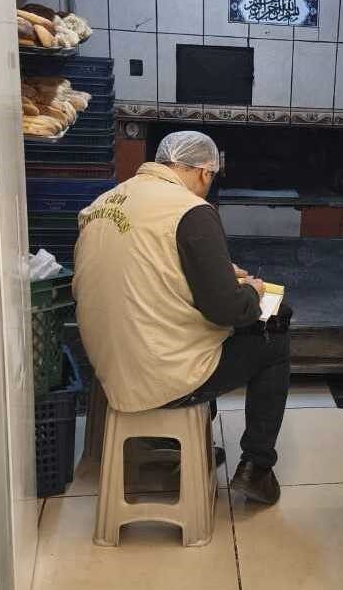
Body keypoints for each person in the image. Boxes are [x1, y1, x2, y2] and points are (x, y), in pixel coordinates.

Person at [73, 131, 290, 505]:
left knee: (197, 327)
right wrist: (253, 291)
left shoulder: (105, 202)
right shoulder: (191, 211)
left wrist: (215, 271)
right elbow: (229, 310)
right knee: (276, 334)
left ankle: (179, 446)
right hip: (160, 376)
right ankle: (257, 467)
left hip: (108, 369)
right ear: (205, 172)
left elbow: (144, 270)